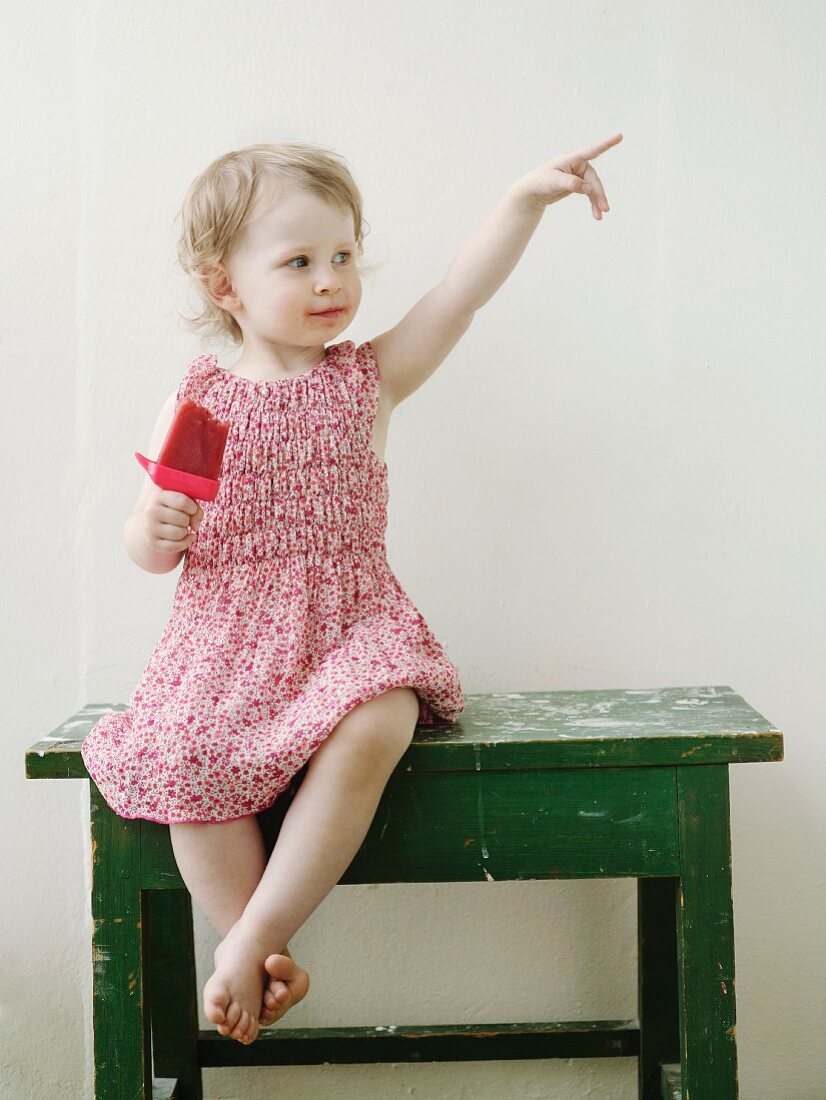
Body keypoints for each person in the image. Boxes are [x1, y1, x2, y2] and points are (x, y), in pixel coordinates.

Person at [80, 134, 622, 1046]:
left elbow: (459, 293)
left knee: (381, 714)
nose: (331, 280)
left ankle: (250, 938)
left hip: (350, 624)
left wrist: (525, 200)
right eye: (300, 261)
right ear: (227, 288)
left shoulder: (366, 380)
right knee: (184, 754)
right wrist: (153, 534)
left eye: (343, 256)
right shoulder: (204, 404)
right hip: (228, 636)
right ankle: (252, 946)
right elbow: (150, 533)